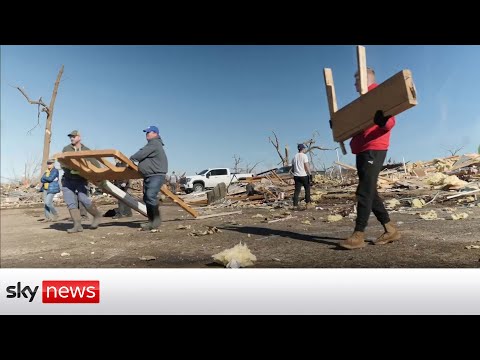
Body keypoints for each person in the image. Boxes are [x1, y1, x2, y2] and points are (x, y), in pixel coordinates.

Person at [338, 68, 401, 250]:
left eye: (357, 80)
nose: (354, 84)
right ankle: (390, 230)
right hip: (362, 149)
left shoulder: (377, 94)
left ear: (366, 79)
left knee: (364, 191)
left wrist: (383, 121)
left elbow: (390, 120)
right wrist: (338, 126)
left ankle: (358, 234)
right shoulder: (362, 102)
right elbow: (354, 125)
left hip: (374, 147)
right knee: (369, 191)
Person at [60, 130, 102, 233]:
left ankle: (97, 215)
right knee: (70, 202)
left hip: (81, 180)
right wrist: (69, 167)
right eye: (70, 137)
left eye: (74, 136)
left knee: (83, 199)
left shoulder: (86, 150)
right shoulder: (66, 149)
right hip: (68, 180)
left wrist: (90, 172)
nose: (71, 138)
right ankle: (77, 225)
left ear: (79, 137)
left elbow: (96, 165)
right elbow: (62, 162)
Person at [130, 125, 168, 231]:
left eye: (149, 132)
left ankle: (156, 220)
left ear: (155, 133)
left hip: (156, 175)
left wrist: (132, 158)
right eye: (146, 132)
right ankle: (151, 221)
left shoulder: (154, 143)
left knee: (150, 195)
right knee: (146, 198)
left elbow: (140, 154)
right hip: (150, 175)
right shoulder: (152, 144)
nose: (147, 134)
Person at [292, 143, 312, 209]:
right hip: (303, 175)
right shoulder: (304, 156)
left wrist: (294, 172)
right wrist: (310, 173)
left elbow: (293, 167)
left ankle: (295, 205)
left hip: (296, 176)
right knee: (307, 189)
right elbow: (306, 165)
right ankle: (308, 203)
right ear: (302, 149)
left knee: (297, 191)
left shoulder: (294, 156)